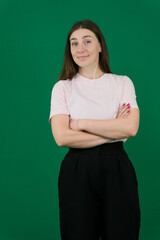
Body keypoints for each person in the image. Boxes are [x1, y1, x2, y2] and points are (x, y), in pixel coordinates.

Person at [49, 19, 141, 240]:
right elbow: (62, 137)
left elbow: (130, 128)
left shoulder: (122, 83)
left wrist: (81, 124)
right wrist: (112, 131)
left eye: (87, 41)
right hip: (77, 171)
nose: (80, 49)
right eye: (74, 43)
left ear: (100, 45)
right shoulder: (62, 87)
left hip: (117, 169)